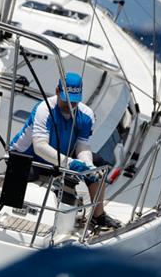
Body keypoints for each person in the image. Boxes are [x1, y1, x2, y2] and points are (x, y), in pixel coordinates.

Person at [10, 72, 122, 229]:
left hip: (59, 156)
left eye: (75, 101)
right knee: (22, 178)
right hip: (28, 156)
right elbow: (40, 146)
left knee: (97, 163)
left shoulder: (86, 115)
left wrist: (87, 165)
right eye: (67, 100)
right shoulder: (44, 109)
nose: (71, 105)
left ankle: (98, 216)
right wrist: (71, 163)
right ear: (57, 91)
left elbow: (83, 146)